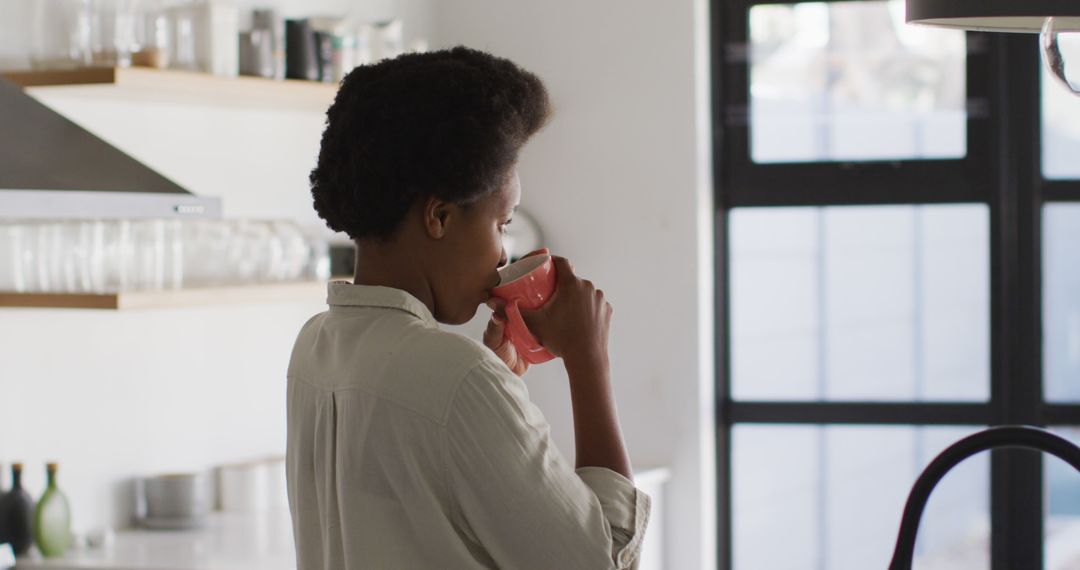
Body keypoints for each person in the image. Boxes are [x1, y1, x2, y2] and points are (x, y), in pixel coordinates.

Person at [286, 46, 650, 570]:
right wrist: (589, 362)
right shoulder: (460, 379)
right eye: (501, 224)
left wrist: (495, 390)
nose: (503, 253)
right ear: (439, 217)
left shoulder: (315, 346)